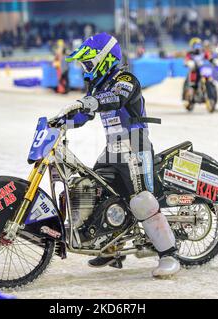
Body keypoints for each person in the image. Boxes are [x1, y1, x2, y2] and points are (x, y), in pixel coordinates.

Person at [56, 32, 180, 278]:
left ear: (105, 59)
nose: (85, 68)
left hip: (135, 144)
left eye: (88, 62)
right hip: (114, 146)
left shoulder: (125, 78)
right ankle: (112, 246)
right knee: (96, 189)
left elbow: (115, 98)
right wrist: (62, 121)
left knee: (141, 201)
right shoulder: (98, 84)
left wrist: (86, 103)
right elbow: (84, 115)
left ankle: (169, 254)